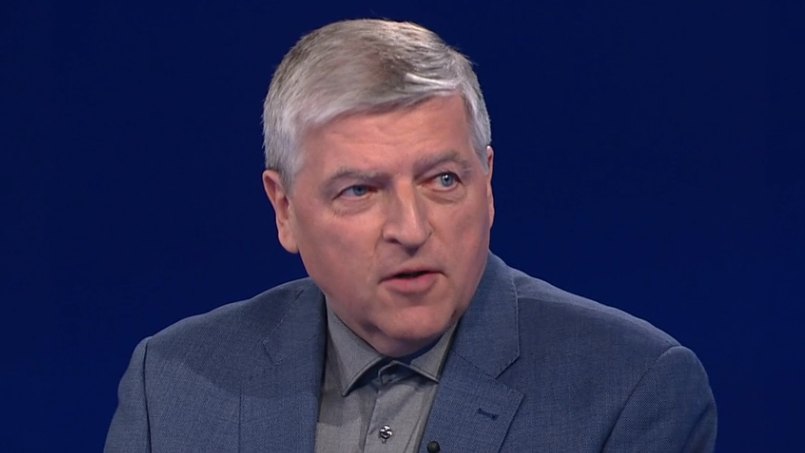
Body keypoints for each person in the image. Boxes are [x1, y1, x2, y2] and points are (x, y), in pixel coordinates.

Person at [105, 19, 717, 453]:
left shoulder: (632, 389)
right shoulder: (174, 385)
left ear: (487, 184)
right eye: (360, 190)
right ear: (284, 208)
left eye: (443, 180)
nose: (411, 228)